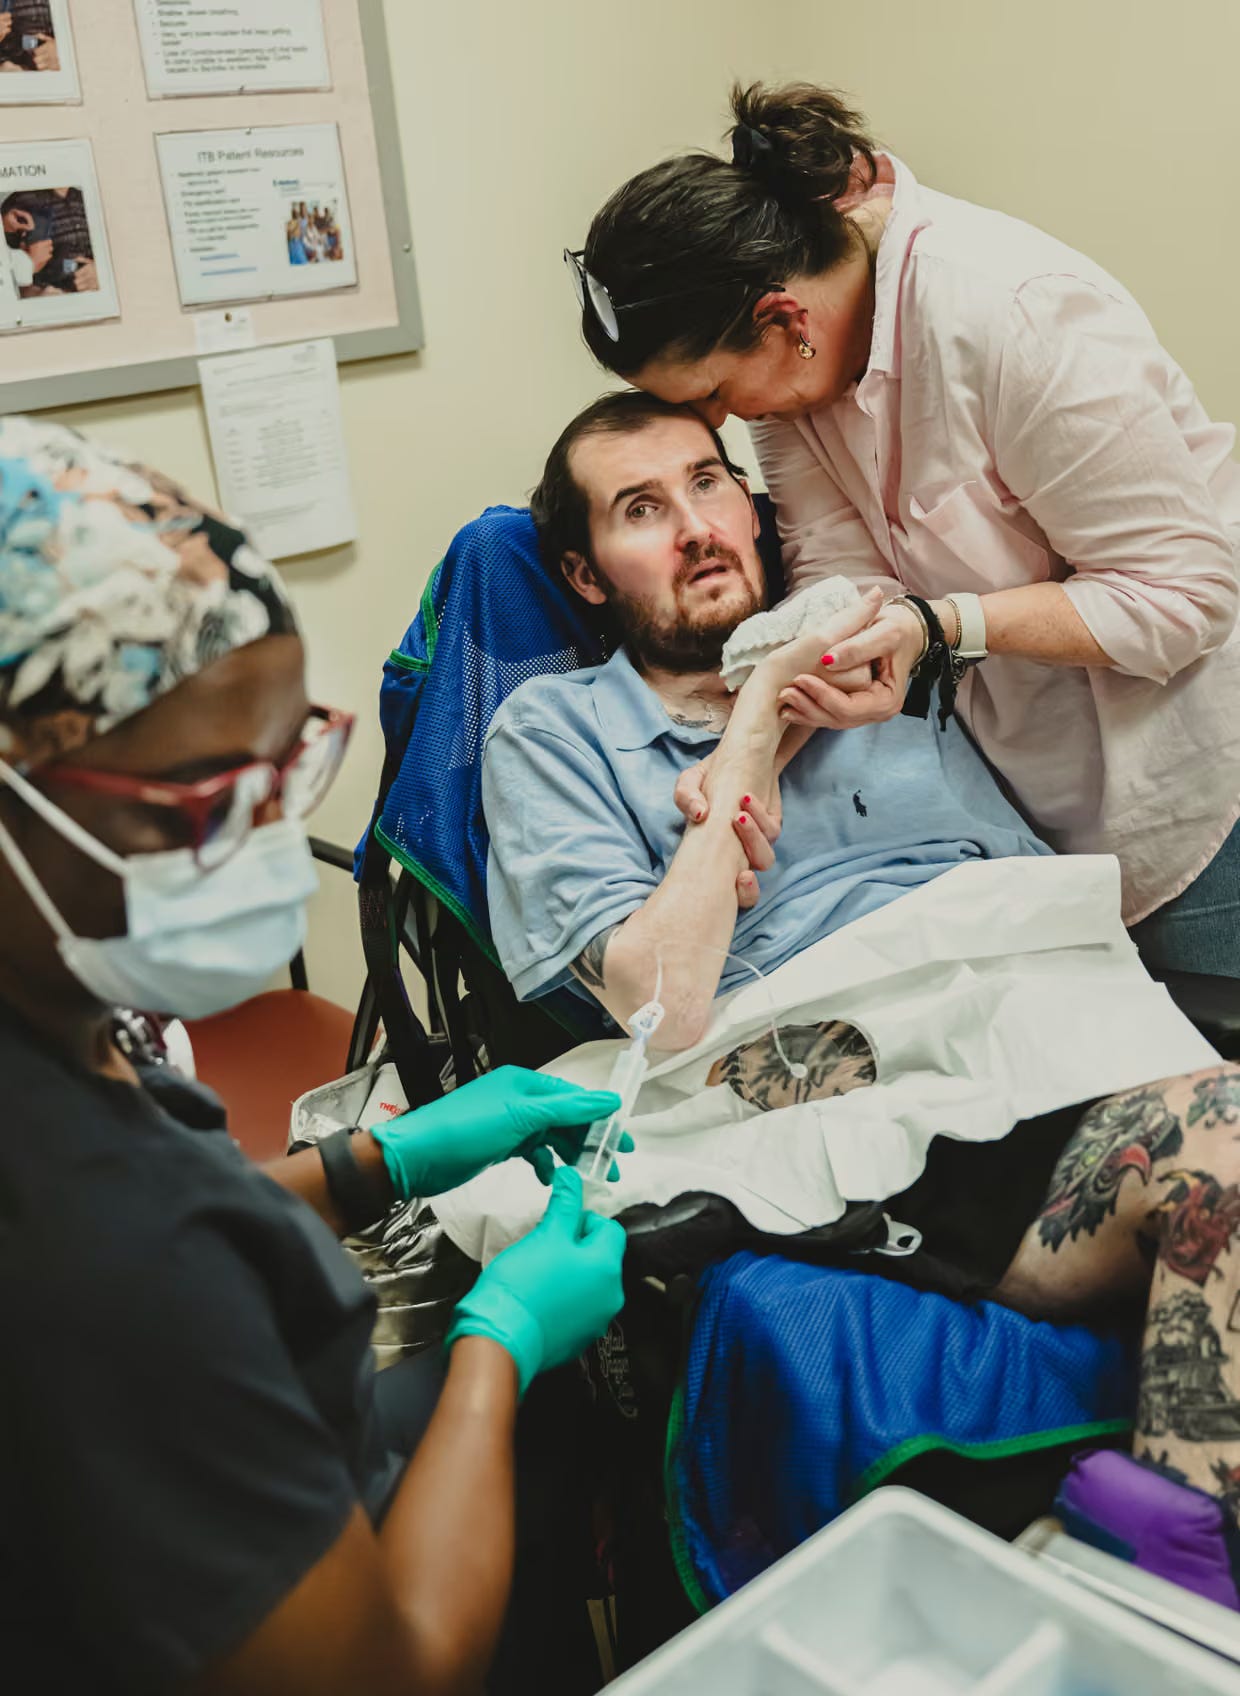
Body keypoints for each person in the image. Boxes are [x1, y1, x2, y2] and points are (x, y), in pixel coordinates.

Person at [469, 389, 1240, 1602]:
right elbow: (659, 1004)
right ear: (583, 572)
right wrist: (750, 731)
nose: (696, 525)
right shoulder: (551, 732)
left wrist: (838, 660)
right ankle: (1171, 1598)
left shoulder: (882, 664)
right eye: (641, 509)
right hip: (881, 1085)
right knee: (1226, 1152)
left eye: (708, 482)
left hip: (1064, 1020)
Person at [0, 417, 628, 1696]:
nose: (271, 845)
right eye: (206, 797)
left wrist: (376, 1159)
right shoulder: (106, 1258)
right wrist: (496, 1347)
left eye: (290, 761)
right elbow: (380, 1671)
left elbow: (174, 1202)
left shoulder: (59, 1015)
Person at [568, 82, 1240, 981]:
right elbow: (844, 578)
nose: (720, 422)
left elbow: (1186, 597)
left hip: (1193, 772)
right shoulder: (793, 377)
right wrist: (753, 754)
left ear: (784, 321)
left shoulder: (1015, 317)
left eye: (715, 394)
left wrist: (942, 626)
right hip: (1032, 805)